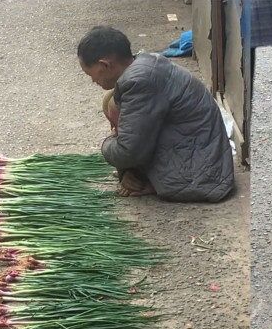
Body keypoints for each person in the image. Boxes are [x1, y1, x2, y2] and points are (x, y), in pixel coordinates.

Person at [77, 26, 234, 202]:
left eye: (92, 75)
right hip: (196, 148)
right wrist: (126, 169)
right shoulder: (145, 63)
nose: (93, 81)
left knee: (121, 141)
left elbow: (128, 151)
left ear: (105, 64)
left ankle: (152, 181)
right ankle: (139, 175)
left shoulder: (139, 82)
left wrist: (108, 143)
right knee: (110, 102)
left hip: (202, 175)